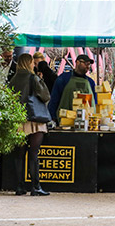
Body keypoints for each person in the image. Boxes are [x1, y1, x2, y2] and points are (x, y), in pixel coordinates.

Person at [8, 53, 51, 196]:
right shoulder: (33, 78)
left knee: (19, 154)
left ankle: (19, 187)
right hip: (35, 119)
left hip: (18, 119)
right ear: (29, 63)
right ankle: (36, 186)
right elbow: (45, 96)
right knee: (34, 153)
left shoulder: (13, 79)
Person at [48, 54, 98, 122]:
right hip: (65, 121)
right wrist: (53, 117)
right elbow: (54, 98)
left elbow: (94, 102)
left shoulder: (91, 82)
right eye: (85, 64)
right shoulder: (63, 79)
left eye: (89, 64)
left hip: (85, 122)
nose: (88, 66)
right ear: (77, 62)